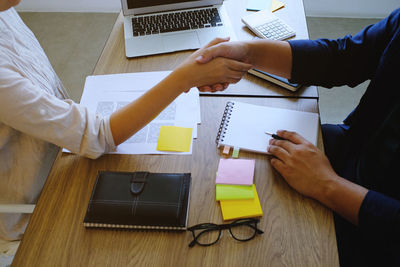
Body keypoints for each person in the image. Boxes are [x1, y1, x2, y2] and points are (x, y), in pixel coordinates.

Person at [0, 0, 252, 263]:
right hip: (34, 209)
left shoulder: (4, 12)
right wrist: (185, 77)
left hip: (62, 155)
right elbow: (98, 136)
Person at [195, 8, 400, 266]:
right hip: (354, 147)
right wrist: (248, 53)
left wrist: (326, 184)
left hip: (377, 224)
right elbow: (344, 56)